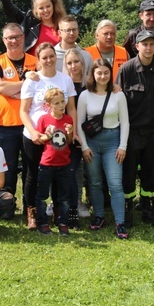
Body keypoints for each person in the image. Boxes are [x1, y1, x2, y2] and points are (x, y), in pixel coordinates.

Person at [20, 43, 77, 230]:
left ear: (56, 56)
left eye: (51, 56)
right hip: (34, 135)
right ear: (38, 60)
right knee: (32, 174)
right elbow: (24, 111)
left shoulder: (65, 80)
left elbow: (71, 108)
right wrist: (34, 131)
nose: (49, 60)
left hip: (59, 137)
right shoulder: (32, 80)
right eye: (44, 57)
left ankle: (58, 212)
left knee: (57, 174)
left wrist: (73, 130)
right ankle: (32, 212)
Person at [116, 30, 154, 229]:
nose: (148, 48)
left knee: (151, 172)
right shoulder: (127, 70)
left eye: (151, 44)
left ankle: (148, 209)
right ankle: (127, 210)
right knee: (128, 173)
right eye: (144, 44)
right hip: (132, 132)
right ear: (136, 46)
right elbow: (118, 103)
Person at [77, 58, 130, 239]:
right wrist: (84, 147)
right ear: (93, 74)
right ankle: (99, 216)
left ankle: (120, 222)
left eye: (106, 73)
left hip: (112, 141)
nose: (102, 76)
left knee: (115, 183)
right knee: (95, 182)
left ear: (111, 74)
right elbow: (79, 123)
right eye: (99, 73)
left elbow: (125, 122)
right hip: (92, 143)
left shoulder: (118, 94)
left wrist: (122, 146)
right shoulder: (85, 95)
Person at [0, 23, 37, 198]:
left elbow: (41, 89)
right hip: (6, 124)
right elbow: (0, 87)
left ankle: (29, 204)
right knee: (7, 167)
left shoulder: (35, 61)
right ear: (4, 40)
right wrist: (27, 85)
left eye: (17, 37)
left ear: (23, 37)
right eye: (10, 37)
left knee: (30, 167)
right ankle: (7, 204)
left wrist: (14, 90)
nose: (14, 41)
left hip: (31, 124)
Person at [34, 88, 75, 236]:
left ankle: (63, 222)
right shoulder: (44, 119)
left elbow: (69, 142)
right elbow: (39, 140)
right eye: (56, 103)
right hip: (47, 164)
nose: (61, 105)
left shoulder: (68, 119)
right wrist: (47, 135)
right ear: (48, 105)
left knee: (64, 197)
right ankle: (42, 222)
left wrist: (70, 133)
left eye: (62, 101)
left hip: (64, 164)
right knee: (43, 196)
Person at [63, 47, 92, 223]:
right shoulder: (63, 84)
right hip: (69, 135)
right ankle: (66, 206)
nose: (73, 66)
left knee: (89, 175)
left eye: (76, 62)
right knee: (70, 171)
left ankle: (83, 203)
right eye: (69, 63)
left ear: (83, 63)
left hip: (90, 135)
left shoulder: (91, 84)